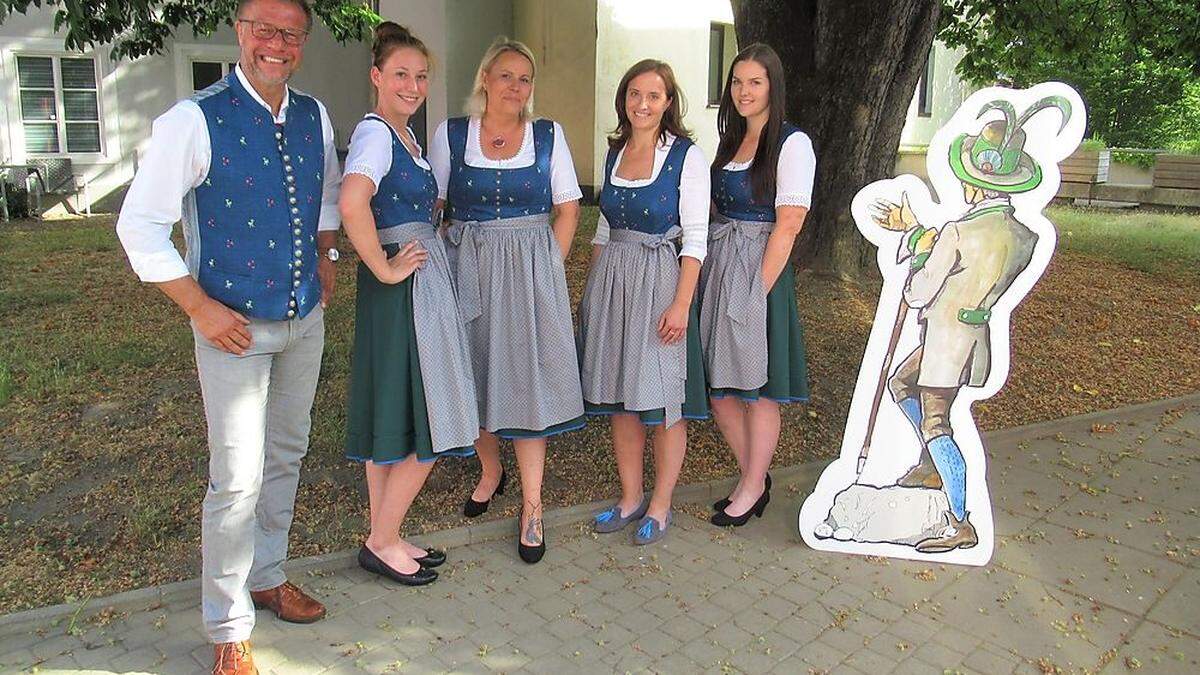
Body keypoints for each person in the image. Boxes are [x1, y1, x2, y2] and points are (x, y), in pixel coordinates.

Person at [114, 1, 339, 672]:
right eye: (262, 29)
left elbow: (324, 196)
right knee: (235, 479)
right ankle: (226, 626)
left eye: (289, 33)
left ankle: (266, 575)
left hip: (303, 320)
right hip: (233, 328)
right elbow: (139, 225)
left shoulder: (314, 114)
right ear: (240, 33)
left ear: (301, 42)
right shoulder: (193, 119)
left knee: (287, 455)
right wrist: (198, 307)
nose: (276, 43)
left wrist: (326, 261)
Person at [870, 95, 1070, 552]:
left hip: (945, 341)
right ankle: (932, 464)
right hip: (971, 338)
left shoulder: (960, 233)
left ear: (974, 183)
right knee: (901, 384)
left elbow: (920, 289)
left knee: (937, 421)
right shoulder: (1025, 236)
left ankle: (960, 521)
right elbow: (967, 269)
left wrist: (919, 243)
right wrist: (924, 235)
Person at [427, 38, 584, 564]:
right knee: (471, 372)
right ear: (485, 80)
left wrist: (547, 270)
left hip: (529, 273)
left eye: (524, 79)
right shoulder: (451, 135)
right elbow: (435, 208)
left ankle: (533, 505)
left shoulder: (547, 135)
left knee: (525, 382)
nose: (515, 87)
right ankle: (490, 470)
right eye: (505, 76)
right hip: (466, 266)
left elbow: (568, 209)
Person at [339, 22, 479, 587]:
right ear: (377, 76)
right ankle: (382, 537)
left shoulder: (402, 138)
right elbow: (353, 203)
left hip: (404, 290)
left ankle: (385, 535)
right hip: (406, 291)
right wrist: (385, 265)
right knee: (431, 414)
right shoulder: (376, 135)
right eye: (401, 74)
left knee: (391, 417)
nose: (413, 85)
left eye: (421, 76)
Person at [581, 59, 710, 545]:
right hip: (614, 280)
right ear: (624, 99)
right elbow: (602, 226)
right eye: (635, 94)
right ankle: (631, 496)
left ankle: (661, 504)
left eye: (654, 96)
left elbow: (696, 237)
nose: (643, 104)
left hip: (660, 280)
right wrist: (594, 292)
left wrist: (681, 304)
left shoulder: (686, 157)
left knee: (662, 400)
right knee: (621, 400)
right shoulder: (614, 152)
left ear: (669, 102)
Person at [699, 44, 815, 527]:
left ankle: (751, 485)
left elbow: (788, 224)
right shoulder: (731, 139)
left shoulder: (792, 143)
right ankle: (755, 476)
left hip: (759, 270)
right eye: (737, 82)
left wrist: (755, 292)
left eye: (755, 83)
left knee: (761, 388)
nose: (744, 92)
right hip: (722, 262)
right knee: (718, 386)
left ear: (773, 87)